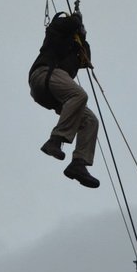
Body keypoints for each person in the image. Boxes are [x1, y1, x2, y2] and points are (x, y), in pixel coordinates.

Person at [28, 11, 100, 188]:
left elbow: (86, 59)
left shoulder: (76, 48)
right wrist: (76, 20)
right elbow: (67, 24)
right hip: (44, 74)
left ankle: (79, 164)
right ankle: (55, 140)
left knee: (90, 120)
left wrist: (82, 38)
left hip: (53, 91)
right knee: (80, 95)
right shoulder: (57, 28)